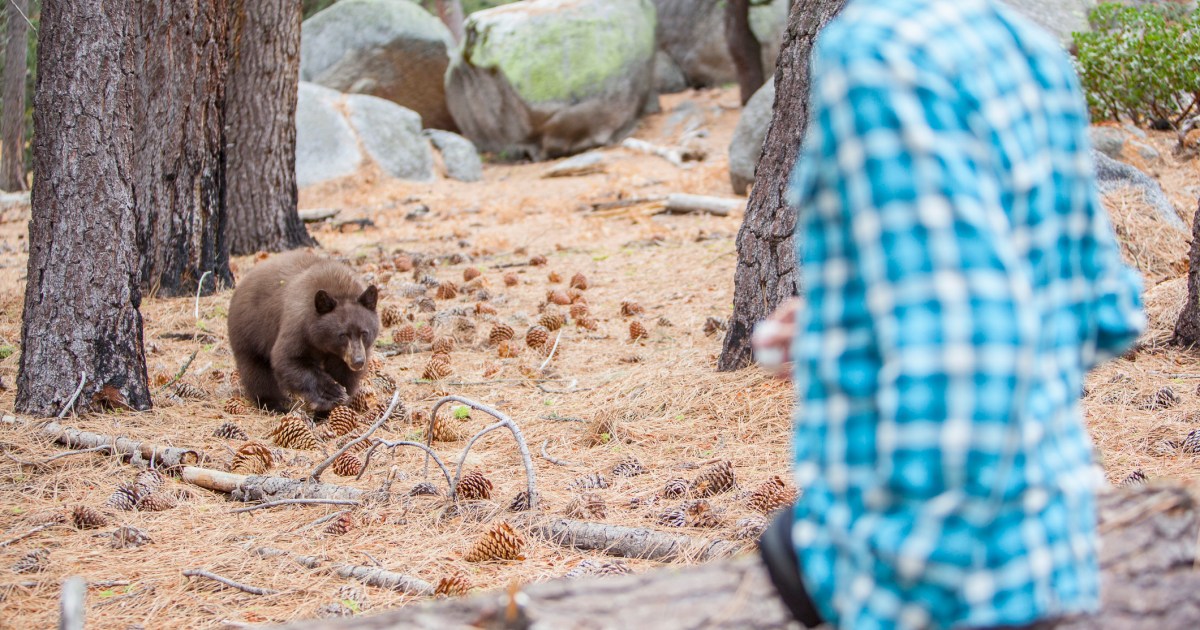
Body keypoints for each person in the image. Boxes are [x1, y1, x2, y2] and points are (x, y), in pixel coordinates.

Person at [751, 0, 1146, 628]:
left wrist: (895, 582)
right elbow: (1102, 310)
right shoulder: (1029, 50)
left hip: (945, 593)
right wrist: (844, 328)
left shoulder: (879, 53)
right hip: (1049, 558)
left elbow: (974, 350)